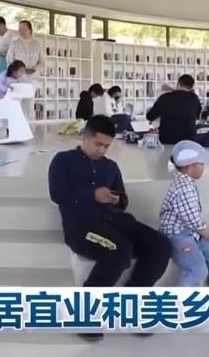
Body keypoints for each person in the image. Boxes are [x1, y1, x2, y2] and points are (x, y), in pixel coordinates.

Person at [48, 115, 172, 341]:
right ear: (85, 138)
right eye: (98, 144)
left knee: (160, 245)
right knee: (119, 249)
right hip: (82, 226)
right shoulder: (63, 161)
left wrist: (116, 200)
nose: (102, 150)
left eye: (106, 146)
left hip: (116, 221)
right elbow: (58, 194)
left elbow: (123, 200)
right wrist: (91, 195)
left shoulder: (110, 166)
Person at [160, 140, 209, 286]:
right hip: (177, 235)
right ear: (190, 166)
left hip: (191, 232)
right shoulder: (183, 188)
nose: (203, 167)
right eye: (201, 163)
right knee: (197, 269)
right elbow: (195, 222)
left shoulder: (188, 183)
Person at [145, 74, 201, 145]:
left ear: (178, 84)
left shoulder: (165, 98)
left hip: (167, 140)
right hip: (188, 141)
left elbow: (150, 116)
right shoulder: (195, 99)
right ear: (192, 87)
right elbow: (198, 116)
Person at [6, 20, 44, 119]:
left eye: (23, 29)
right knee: (16, 102)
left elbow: (42, 61)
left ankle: (26, 125)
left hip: (32, 79)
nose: (21, 31)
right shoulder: (14, 43)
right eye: (19, 29)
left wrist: (34, 69)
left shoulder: (37, 44)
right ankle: (15, 124)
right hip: (17, 78)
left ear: (30, 30)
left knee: (28, 104)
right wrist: (21, 70)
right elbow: (10, 61)